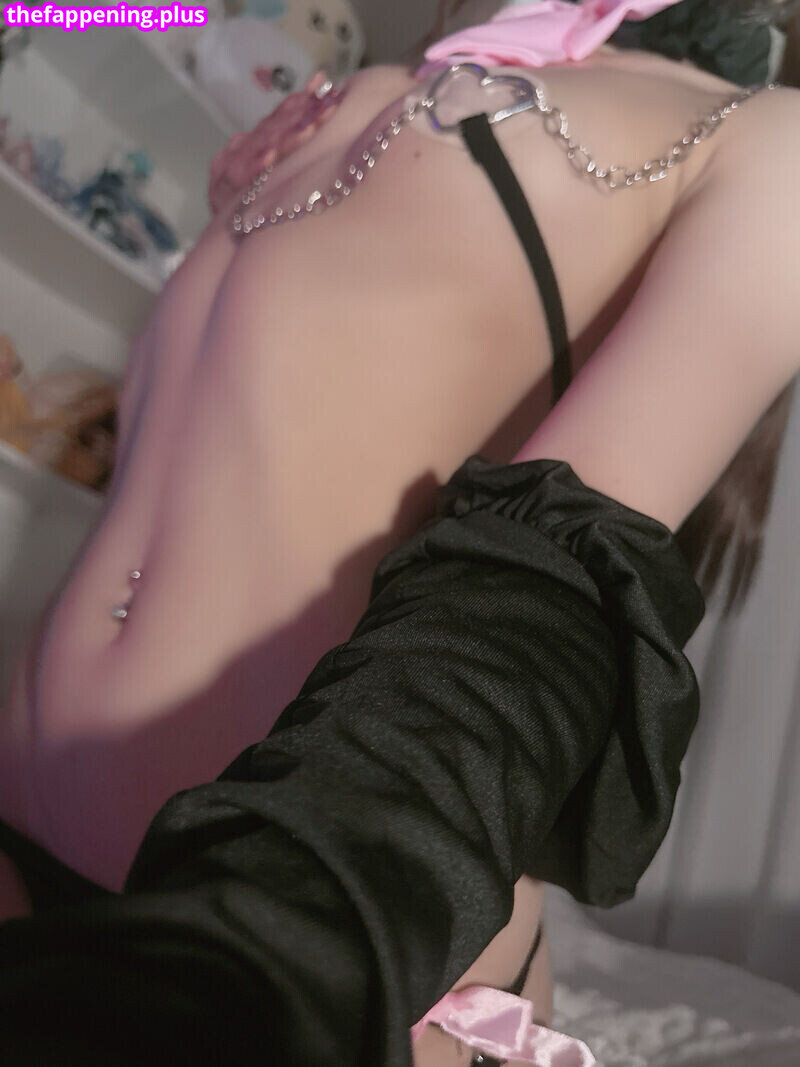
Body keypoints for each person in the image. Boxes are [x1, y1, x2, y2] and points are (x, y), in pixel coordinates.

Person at [0, 0, 799, 1052]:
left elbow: (533, 600)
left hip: (315, 926)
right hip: (29, 831)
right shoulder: (363, 91)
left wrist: (299, 927)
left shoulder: (764, 146)